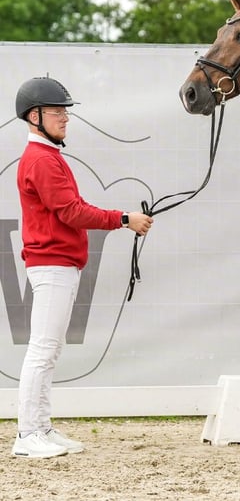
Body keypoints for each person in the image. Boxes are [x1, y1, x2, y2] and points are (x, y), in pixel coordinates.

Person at [11, 76, 153, 458]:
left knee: (49, 349)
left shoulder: (49, 156)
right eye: (57, 112)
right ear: (34, 116)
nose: (64, 118)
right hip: (53, 262)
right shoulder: (41, 159)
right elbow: (72, 211)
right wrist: (124, 219)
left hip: (60, 262)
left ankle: (41, 427)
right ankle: (27, 435)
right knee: (43, 350)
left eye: (65, 112)